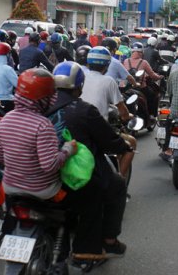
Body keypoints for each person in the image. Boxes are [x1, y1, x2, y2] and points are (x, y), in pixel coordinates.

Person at [0, 69, 109, 263]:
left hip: (11, 189)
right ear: (43, 99)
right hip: (45, 191)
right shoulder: (43, 125)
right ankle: (83, 248)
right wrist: (67, 150)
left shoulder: (6, 120)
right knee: (92, 193)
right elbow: (50, 165)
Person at [47, 63, 133, 258]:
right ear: (79, 85)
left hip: (39, 175)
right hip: (73, 176)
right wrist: (123, 147)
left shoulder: (38, 107)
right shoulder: (84, 110)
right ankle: (105, 241)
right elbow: (110, 141)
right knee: (115, 184)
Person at [82, 47, 131, 123]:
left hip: (79, 123)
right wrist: (127, 116)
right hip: (100, 126)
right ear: (107, 66)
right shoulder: (109, 81)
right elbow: (122, 109)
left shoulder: (81, 76)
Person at [123, 42, 163, 117]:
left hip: (127, 88)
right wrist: (159, 77)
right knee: (153, 95)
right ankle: (151, 115)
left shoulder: (126, 61)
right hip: (141, 88)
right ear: (141, 52)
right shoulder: (144, 62)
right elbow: (153, 75)